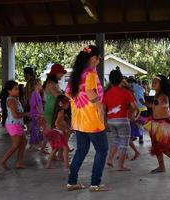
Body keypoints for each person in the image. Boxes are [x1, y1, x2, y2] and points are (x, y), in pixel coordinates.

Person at [65, 45, 109, 192]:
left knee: (81, 150)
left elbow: (67, 94)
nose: (99, 60)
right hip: (92, 121)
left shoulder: (75, 76)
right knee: (102, 150)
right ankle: (95, 184)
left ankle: (72, 182)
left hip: (79, 122)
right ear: (93, 58)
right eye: (98, 57)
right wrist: (100, 110)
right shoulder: (90, 74)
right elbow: (90, 92)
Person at [143, 75, 170, 175]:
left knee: (163, 147)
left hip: (163, 123)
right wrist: (144, 103)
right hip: (155, 123)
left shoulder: (163, 96)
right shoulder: (157, 96)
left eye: (156, 82)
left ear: (162, 85)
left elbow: (162, 104)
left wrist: (161, 103)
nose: (153, 84)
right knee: (156, 146)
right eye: (153, 82)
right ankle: (161, 166)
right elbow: (154, 106)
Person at [103, 70, 139, 171]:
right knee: (124, 142)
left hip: (111, 121)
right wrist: (134, 115)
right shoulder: (126, 92)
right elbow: (134, 107)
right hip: (123, 120)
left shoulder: (107, 93)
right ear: (121, 79)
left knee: (115, 141)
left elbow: (102, 109)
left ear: (110, 80)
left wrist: (104, 121)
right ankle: (121, 166)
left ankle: (110, 159)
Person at [0, 80, 29, 170]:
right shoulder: (11, 100)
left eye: (17, 89)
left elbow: (17, 114)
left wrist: (22, 122)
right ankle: (2, 162)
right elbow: (15, 115)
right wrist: (26, 114)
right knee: (16, 144)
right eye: (15, 89)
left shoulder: (14, 99)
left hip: (17, 124)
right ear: (9, 91)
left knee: (23, 142)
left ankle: (19, 163)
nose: (18, 91)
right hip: (13, 125)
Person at [41, 95, 72, 169]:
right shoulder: (61, 111)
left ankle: (48, 165)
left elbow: (61, 123)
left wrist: (67, 128)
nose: (69, 105)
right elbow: (57, 123)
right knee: (65, 148)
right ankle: (66, 165)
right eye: (68, 103)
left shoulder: (59, 111)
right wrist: (66, 129)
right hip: (58, 133)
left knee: (55, 149)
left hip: (56, 132)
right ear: (63, 104)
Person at [43, 64, 67, 129]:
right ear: (56, 73)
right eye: (61, 73)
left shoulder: (54, 83)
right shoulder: (51, 83)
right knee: (53, 133)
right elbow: (59, 96)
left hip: (55, 109)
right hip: (51, 111)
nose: (62, 75)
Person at [127, 77, 147, 144]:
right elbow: (145, 93)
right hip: (144, 108)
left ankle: (134, 136)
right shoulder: (140, 87)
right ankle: (139, 137)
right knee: (139, 124)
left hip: (136, 108)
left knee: (133, 122)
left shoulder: (130, 86)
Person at [29, 79, 44, 150]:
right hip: (36, 114)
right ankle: (32, 144)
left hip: (39, 114)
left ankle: (40, 143)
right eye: (40, 84)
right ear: (36, 85)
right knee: (36, 129)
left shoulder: (38, 94)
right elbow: (36, 105)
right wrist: (40, 114)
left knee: (40, 129)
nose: (41, 86)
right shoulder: (34, 93)